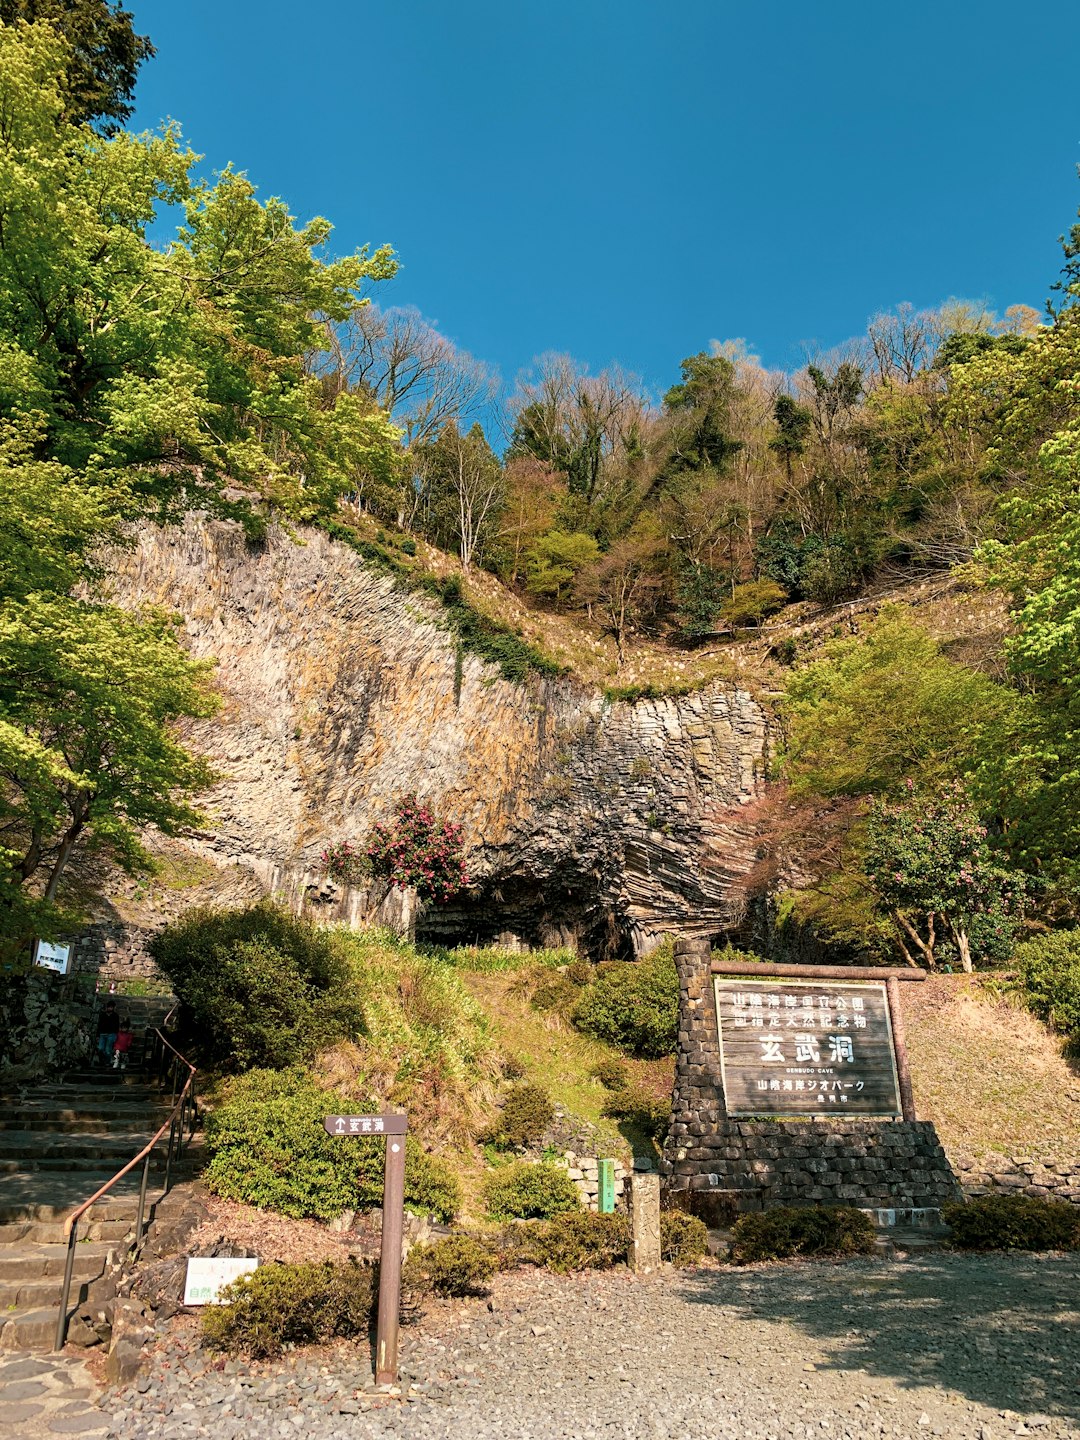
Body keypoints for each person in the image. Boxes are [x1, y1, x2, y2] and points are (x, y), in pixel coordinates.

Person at [96, 1000, 119, 1066]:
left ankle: (107, 1062)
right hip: (102, 1034)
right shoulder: (103, 1015)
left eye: (111, 1007)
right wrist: (98, 1035)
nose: (110, 1008)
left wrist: (115, 1035)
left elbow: (116, 1026)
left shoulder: (115, 1016)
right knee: (100, 1048)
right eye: (109, 1007)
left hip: (111, 1034)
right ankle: (101, 1061)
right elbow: (99, 1025)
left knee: (108, 1050)